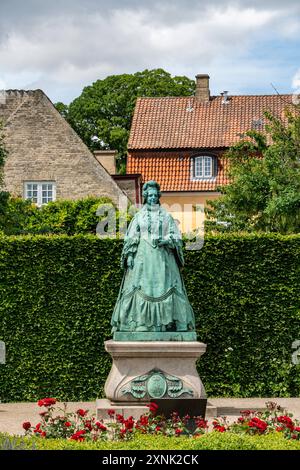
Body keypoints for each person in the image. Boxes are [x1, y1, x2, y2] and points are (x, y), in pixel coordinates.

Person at [111, 180, 195, 335]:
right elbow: (131, 237)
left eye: (155, 195)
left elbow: (176, 237)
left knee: (165, 289)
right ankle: (140, 323)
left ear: (158, 197)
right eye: (149, 195)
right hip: (142, 260)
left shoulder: (167, 217)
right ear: (145, 196)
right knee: (140, 288)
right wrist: (129, 255)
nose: (152, 198)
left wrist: (166, 240)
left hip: (162, 260)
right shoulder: (138, 216)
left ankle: (165, 325)